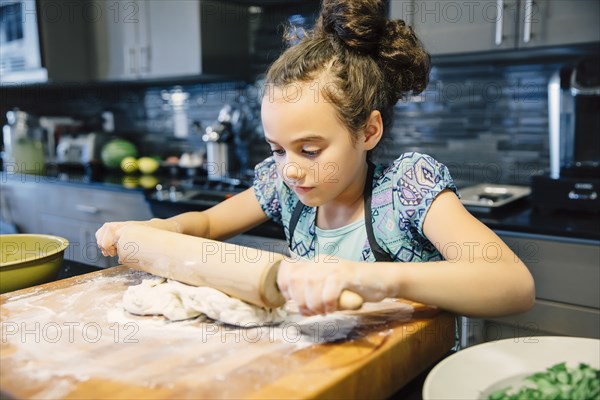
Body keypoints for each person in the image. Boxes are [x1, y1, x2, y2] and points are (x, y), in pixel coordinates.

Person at [96, 0, 534, 318]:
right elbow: (207, 225)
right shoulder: (285, 189)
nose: (290, 168)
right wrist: (158, 229)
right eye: (277, 149)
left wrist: (374, 279)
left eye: (310, 150)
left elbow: (513, 286)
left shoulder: (406, 191)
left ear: (368, 131)